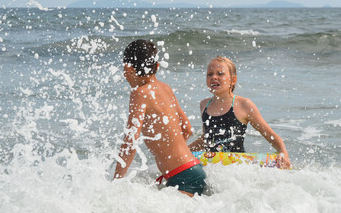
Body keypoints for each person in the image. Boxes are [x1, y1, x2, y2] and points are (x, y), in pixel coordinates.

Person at [113, 39, 207, 197]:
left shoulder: (139, 93)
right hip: (193, 169)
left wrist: (116, 181)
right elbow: (187, 128)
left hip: (182, 176)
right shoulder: (165, 88)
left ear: (127, 68)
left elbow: (130, 142)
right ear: (156, 66)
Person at [188, 56, 291, 169]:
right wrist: (185, 151)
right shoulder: (204, 105)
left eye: (220, 74)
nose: (214, 77)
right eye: (210, 74)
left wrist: (283, 152)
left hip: (237, 168)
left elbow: (269, 134)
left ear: (233, 80)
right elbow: (206, 139)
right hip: (213, 167)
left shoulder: (243, 105)